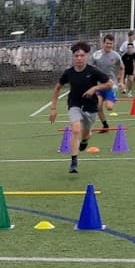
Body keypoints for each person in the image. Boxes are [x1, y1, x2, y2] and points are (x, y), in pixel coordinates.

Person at [48, 41, 108, 175]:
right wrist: (53, 108)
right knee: (75, 129)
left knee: (86, 133)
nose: (79, 58)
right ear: (73, 57)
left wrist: (95, 88)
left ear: (86, 56)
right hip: (74, 104)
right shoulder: (68, 73)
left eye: (82, 55)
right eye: (76, 56)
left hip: (91, 106)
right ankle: (74, 162)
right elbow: (57, 87)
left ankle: (85, 139)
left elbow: (109, 83)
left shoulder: (93, 71)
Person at [91, 33, 124, 131]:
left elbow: (122, 68)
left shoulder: (116, 55)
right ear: (103, 43)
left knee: (109, 107)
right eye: (107, 43)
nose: (108, 45)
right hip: (99, 86)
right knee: (97, 106)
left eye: (111, 43)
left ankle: (111, 98)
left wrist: (121, 81)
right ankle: (105, 125)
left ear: (113, 44)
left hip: (111, 85)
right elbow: (90, 68)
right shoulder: (96, 55)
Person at [118, 29, 135, 96]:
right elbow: (121, 51)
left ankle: (130, 91)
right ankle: (124, 89)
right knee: (123, 79)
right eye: (129, 36)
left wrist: (134, 71)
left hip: (131, 66)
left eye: (132, 36)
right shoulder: (125, 44)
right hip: (124, 66)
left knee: (131, 79)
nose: (131, 37)